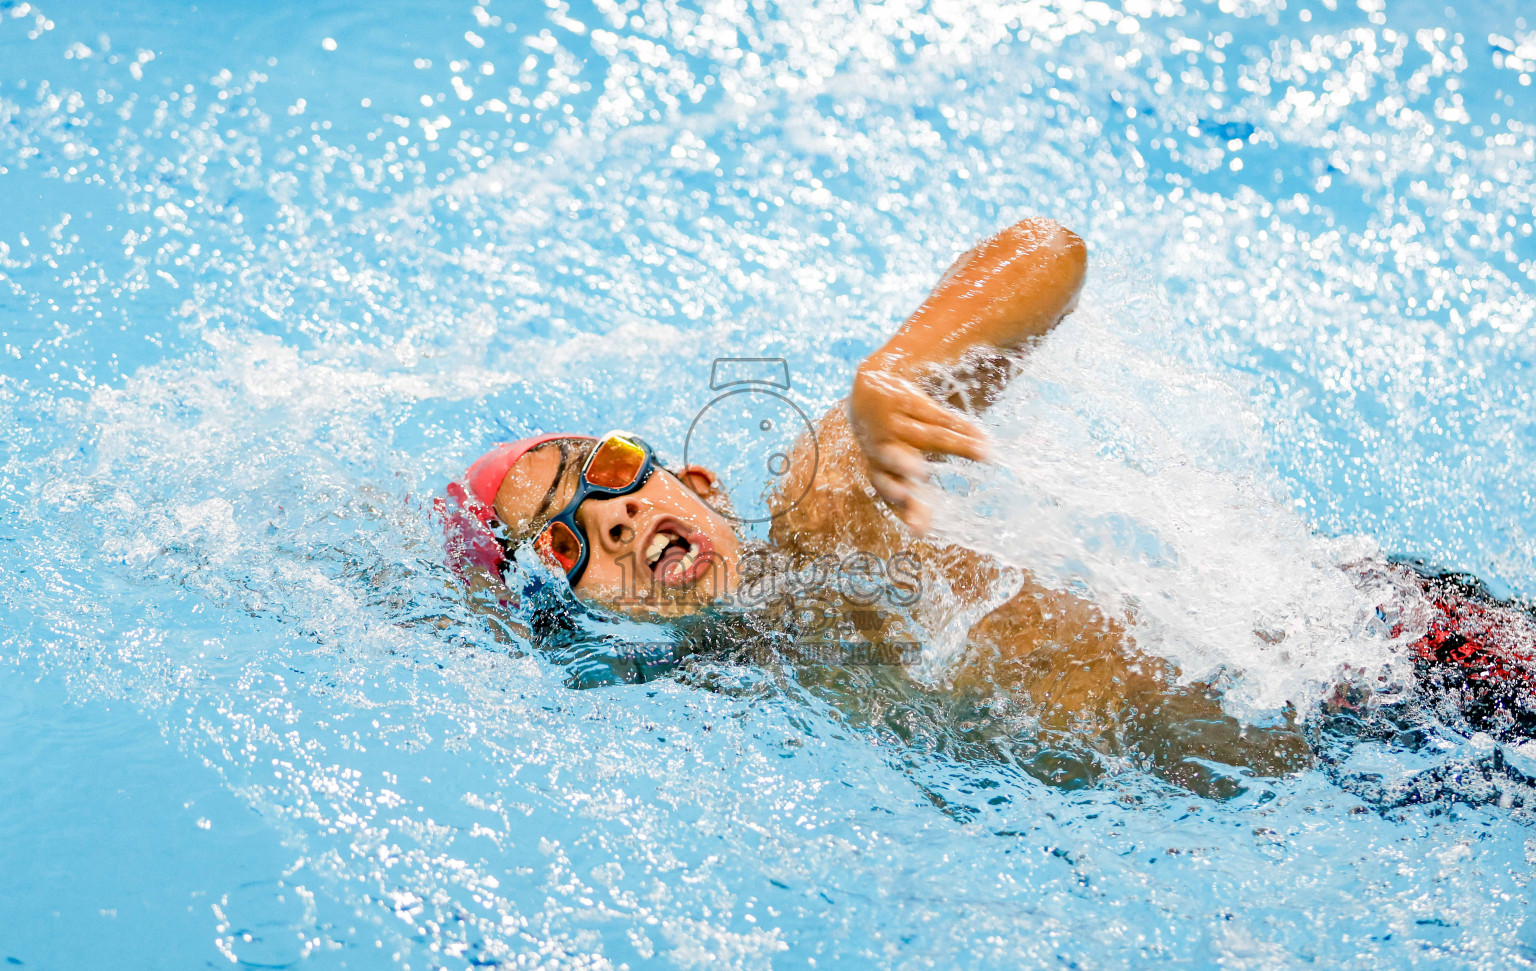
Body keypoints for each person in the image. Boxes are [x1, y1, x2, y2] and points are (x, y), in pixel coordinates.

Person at [441, 217, 1536, 796]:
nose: (613, 518)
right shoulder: (728, 673)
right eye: (565, 536)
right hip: (1362, 773)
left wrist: (896, 377)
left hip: (1382, 669)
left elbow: (1048, 251)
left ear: (702, 486)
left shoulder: (824, 505)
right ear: (581, 603)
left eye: (613, 467)